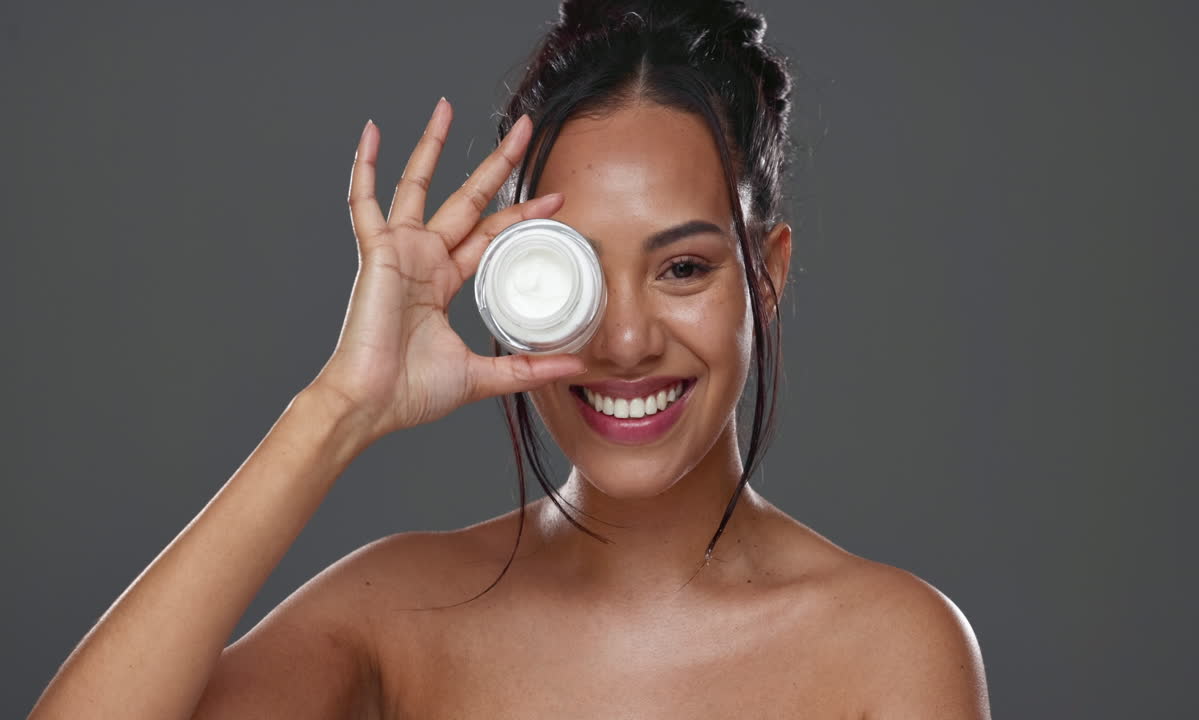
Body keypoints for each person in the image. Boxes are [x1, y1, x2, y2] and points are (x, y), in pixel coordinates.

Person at [30, 1, 991, 717]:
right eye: (573, 273)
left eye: (685, 268)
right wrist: (338, 409)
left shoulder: (889, 648)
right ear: (512, 281)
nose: (624, 342)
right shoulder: (399, 611)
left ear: (766, 276)